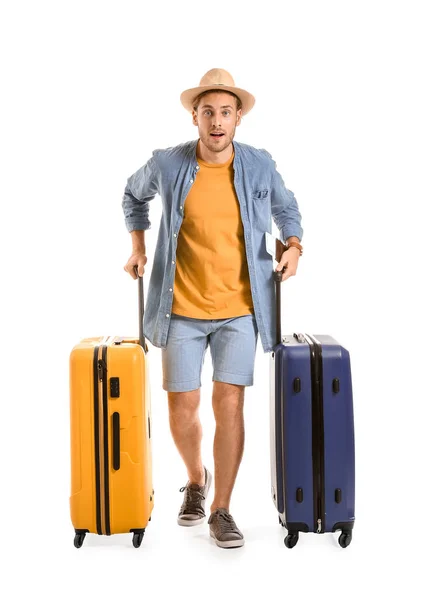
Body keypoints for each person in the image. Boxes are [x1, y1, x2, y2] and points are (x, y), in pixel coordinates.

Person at [122, 68, 303, 549]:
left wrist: (294, 246)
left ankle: (222, 507)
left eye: (226, 112)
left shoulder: (260, 165)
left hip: (239, 310)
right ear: (195, 118)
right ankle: (195, 479)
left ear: (238, 118)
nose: (217, 122)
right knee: (182, 408)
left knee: (230, 404)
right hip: (180, 307)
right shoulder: (167, 163)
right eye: (208, 113)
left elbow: (288, 210)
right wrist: (138, 247)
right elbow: (132, 194)